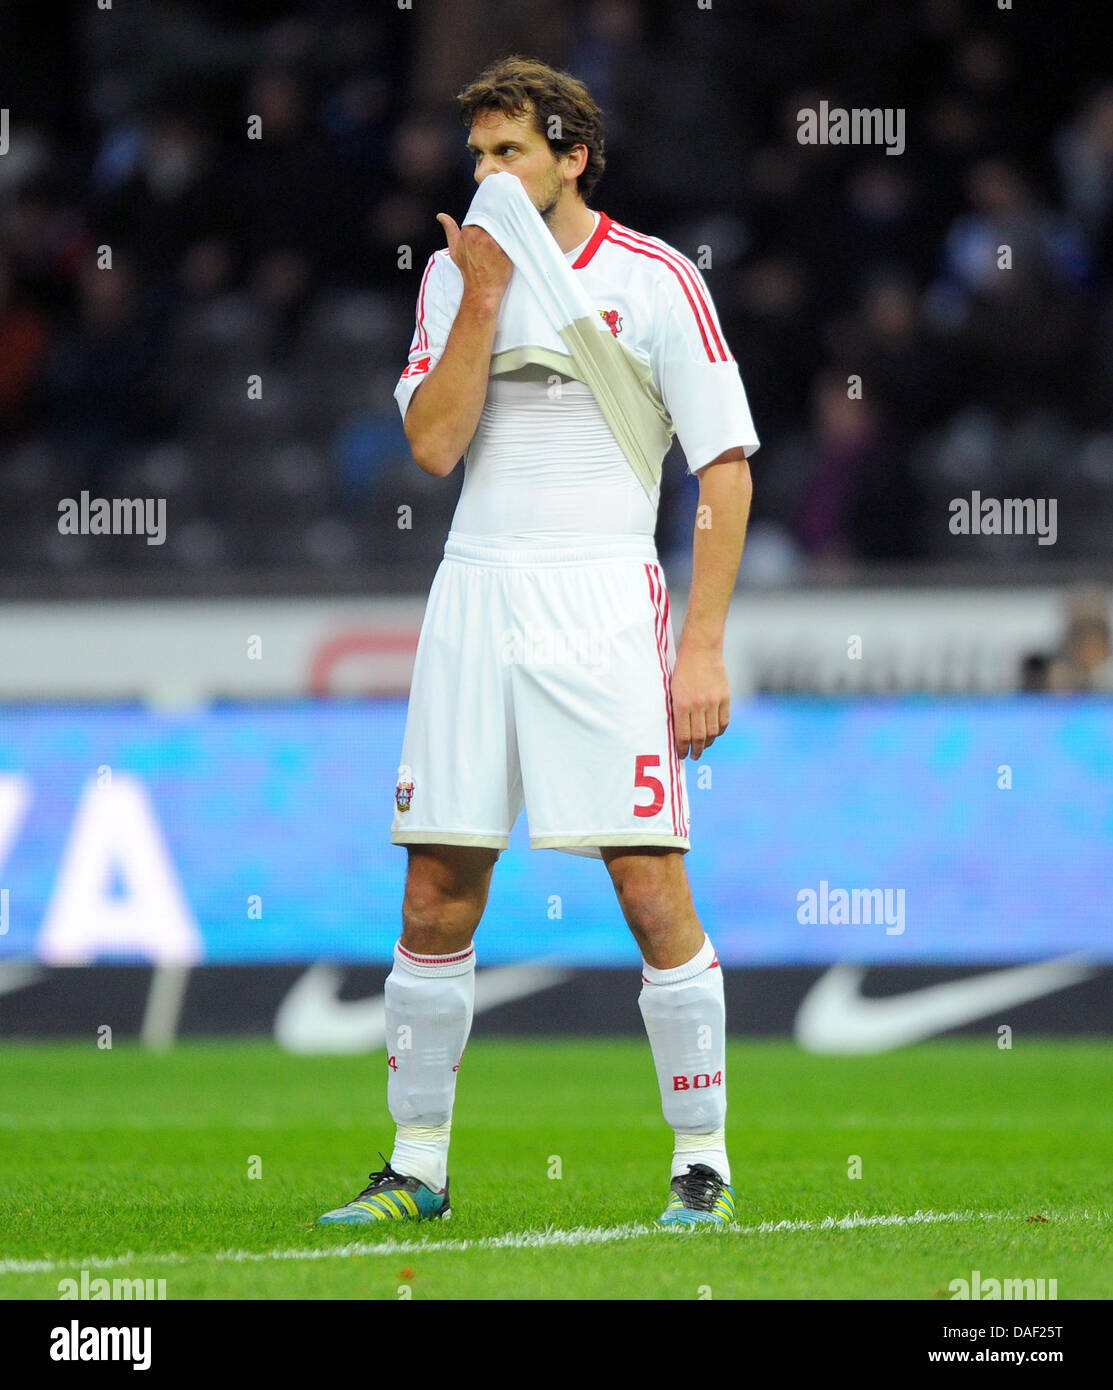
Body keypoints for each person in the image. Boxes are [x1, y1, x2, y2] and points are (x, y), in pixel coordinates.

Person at [318, 55, 759, 1229]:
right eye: (476, 156)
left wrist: (702, 644)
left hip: (607, 597)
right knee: (434, 894)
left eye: (508, 152)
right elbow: (434, 446)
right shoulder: (455, 278)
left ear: (571, 156)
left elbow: (723, 468)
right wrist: (481, 297)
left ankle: (701, 1162)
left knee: (651, 886)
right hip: (476, 594)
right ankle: (417, 1167)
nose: (487, 174)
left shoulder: (659, 279)